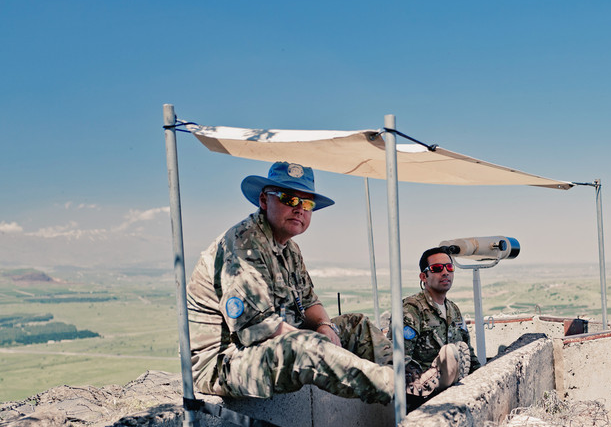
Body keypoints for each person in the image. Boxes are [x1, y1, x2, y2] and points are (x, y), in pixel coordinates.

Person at [186, 161, 393, 404]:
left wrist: (325, 326)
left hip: (267, 347)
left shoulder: (289, 249)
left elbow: (309, 302)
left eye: (307, 204)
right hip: (223, 363)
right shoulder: (243, 245)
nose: (299, 209)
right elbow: (261, 328)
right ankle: (393, 386)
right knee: (307, 346)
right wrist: (320, 346)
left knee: (357, 325)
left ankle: (411, 376)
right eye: (289, 199)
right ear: (264, 200)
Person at [401, 247, 481, 400]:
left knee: (457, 350)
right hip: (423, 401)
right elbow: (400, 359)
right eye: (437, 268)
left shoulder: (453, 310)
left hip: (455, 395)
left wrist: (482, 379)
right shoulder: (411, 309)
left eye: (449, 267)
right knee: (449, 353)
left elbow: (469, 353)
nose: (445, 272)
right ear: (424, 277)